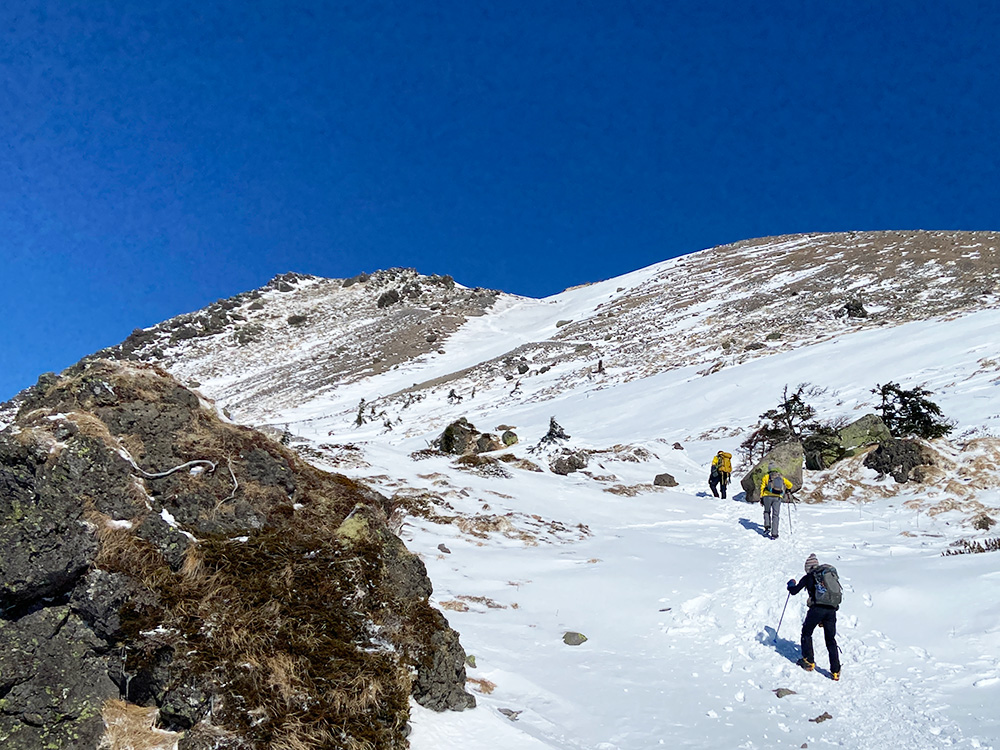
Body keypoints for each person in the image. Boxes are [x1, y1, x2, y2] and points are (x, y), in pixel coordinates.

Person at [787, 553, 841, 681]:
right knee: (830, 640)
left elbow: (794, 591)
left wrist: (790, 584)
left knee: (806, 633)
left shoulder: (808, 577)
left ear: (808, 568)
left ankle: (808, 661)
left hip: (816, 610)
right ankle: (835, 671)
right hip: (831, 610)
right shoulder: (826, 576)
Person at [758, 461, 792, 539]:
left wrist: (761, 497)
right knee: (775, 515)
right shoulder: (781, 477)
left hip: (767, 496)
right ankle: (774, 533)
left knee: (767, 511)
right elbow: (790, 485)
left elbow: (762, 488)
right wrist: (787, 490)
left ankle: (767, 526)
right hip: (777, 497)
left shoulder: (766, 476)